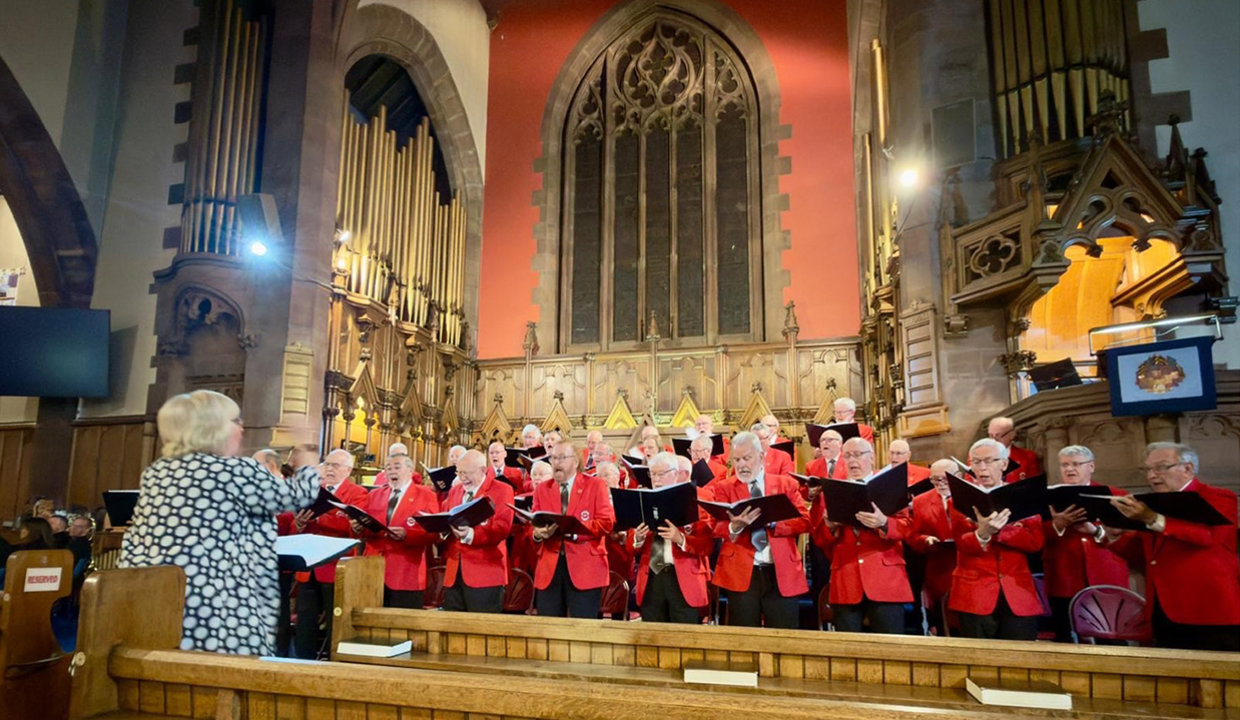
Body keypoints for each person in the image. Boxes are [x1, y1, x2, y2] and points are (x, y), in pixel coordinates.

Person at [118, 389, 319, 655]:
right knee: (215, 682)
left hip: (156, 601)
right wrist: (306, 449)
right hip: (214, 607)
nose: (242, 428)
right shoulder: (233, 471)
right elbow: (301, 495)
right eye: (236, 421)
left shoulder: (159, 472)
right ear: (213, 428)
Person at [1105, 442, 1240, 651]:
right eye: (1148, 469)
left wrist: (1152, 518)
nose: (1152, 476)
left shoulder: (1218, 497)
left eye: (1160, 467)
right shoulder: (1152, 504)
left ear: (1187, 468)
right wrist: (1106, 534)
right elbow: (1142, 556)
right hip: (1164, 610)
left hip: (1209, 610)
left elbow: (1209, 538)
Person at [810, 437, 912, 634]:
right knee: (848, 650)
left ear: (872, 457)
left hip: (885, 579)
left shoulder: (890, 486)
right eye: (847, 456)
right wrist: (830, 526)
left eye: (858, 455)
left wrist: (883, 522)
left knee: (890, 648)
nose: (852, 461)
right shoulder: (830, 492)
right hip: (846, 578)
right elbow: (820, 540)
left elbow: (907, 528)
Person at [947, 438, 1044, 641]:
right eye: (976, 461)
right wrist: (982, 534)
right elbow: (961, 543)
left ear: (1004, 464)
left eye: (989, 461)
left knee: (1021, 659)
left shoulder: (1023, 496)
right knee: (977, 660)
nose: (982, 468)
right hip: (974, 593)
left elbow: (1035, 542)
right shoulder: (958, 499)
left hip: (1017, 593)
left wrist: (1000, 531)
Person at [710, 431, 808, 629]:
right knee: (744, 638)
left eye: (747, 458)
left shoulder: (785, 484)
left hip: (780, 571)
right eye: (736, 460)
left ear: (761, 456)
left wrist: (773, 523)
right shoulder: (725, 488)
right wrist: (733, 526)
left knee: (784, 636)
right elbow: (713, 525)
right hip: (742, 573)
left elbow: (805, 521)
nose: (742, 465)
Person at [1042, 445, 1129, 642]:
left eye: (1076, 464)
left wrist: (1096, 531)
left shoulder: (1115, 495)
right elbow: (1035, 536)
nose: (1069, 469)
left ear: (1091, 466)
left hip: (1105, 576)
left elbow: (1129, 535)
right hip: (1063, 577)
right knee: (1067, 638)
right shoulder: (1047, 498)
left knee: (1112, 637)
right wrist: (1058, 525)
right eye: (1064, 465)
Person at [290, 448, 367, 659]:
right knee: (305, 620)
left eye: (336, 465)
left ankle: (334, 664)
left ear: (348, 470)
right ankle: (302, 664)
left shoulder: (357, 493)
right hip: (309, 566)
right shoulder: (315, 489)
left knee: (336, 621)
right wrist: (299, 523)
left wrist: (321, 519)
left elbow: (353, 527)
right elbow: (298, 527)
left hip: (335, 567)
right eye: (328, 464)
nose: (330, 469)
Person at [530, 441, 615, 618]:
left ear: (576, 462)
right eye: (553, 458)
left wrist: (575, 530)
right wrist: (537, 534)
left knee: (583, 630)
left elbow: (607, 522)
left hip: (585, 568)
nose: (556, 463)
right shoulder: (542, 489)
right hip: (550, 570)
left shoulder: (595, 485)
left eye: (561, 458)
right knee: (549, 630)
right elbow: (533, 524)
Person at [629, 452, 713, 623]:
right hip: (652, 577)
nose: (656, 479)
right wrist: (638, 538)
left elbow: (707, 546)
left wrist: (680, 538)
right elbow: (630, 548)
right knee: (653, 637)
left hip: (682, 577)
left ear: (675, 474)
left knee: (684, 638)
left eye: (662, 474)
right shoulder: (642, 498)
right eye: (653, 474)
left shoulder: (696, 498)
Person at [352, 454, 440, 608]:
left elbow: (433, 532)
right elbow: (363, 528)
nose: (392, 471)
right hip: (373, 569)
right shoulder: (374, 495)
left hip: (406, 571)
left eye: (397, 467)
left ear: (410, 470)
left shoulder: (426, 495)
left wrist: (407, 534)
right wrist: (357, 527)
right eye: (388, 468)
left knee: (401, 625)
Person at [440, 449, 515, 613]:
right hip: (454, 573)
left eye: (467, 473)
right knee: (452, 628)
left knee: (483, 630)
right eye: (459, 472)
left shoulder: (502, 490)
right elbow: (445, 516)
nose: (462, 478)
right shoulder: (455, 490)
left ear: (483, 470)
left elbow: (502, 528)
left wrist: (471, 534)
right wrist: (441, 530)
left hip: (485, 572)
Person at [906, 459, 959, 636]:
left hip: (968, 564)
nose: (940, 484)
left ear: (958, 476)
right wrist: (926, 540)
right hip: (939, 567)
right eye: (935, 480)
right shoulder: (922, 501)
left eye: (945, 479)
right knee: (943, 621)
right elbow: (913, 535)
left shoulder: (969, 494)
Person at [987, 416, 1042, 482]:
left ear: (1011, 435)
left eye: (998, 435)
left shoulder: (1028, 457)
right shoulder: (975, 458)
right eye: (991, 435)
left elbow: (1034, 486)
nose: (994, 440)